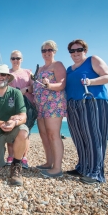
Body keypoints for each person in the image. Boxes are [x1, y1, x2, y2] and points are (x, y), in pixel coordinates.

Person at [65, 39, 108, 184]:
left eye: (79, 50)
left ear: (85, 50)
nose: (75, 53)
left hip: (93, 102)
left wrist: (91, 82)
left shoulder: (93, 60)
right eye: (72, 51)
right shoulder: (69, 69)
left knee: (93, 137)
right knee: (79, 137)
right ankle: (83, 168)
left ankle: (95, 173)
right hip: (73, 105)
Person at [33, 40, 67, 178]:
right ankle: (49, 162)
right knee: (44, 135)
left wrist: (49, 86)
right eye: (44, 50)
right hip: (40, 105)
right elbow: (35, 86)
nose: (46, 53)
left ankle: (57, 168)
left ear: (54, 51)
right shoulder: (39, 69)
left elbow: (62, 84)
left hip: (54, 104)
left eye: (49, 50)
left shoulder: (57, 65)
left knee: (54, 135)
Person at [7, 50, 35, 169]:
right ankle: (10, 155)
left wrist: (25, 90)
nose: (15, 60)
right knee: (10, 129)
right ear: (10, 60)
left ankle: (24, 157)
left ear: (21, 59)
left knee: (25, 131)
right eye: (13, 58)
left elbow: (34, 87)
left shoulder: (28, 72)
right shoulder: (6, 73)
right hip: (10, 104)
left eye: (18, 58)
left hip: (27, 104)